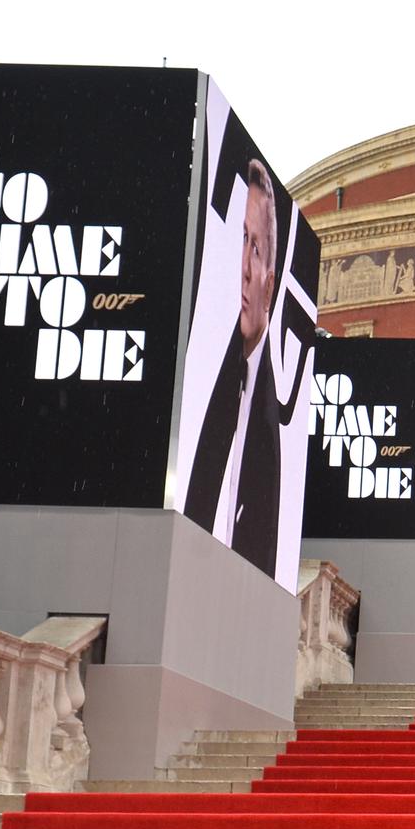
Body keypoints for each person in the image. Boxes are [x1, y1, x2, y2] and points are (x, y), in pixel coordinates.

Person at [183, 156, 287, 572]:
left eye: (256, 249)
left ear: (270, 282)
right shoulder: (206, 376)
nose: (244, 267)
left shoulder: (271, 424)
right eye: (241, 240)